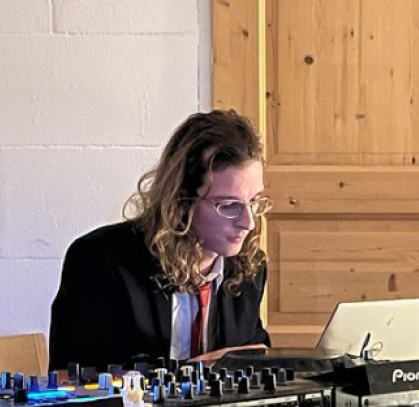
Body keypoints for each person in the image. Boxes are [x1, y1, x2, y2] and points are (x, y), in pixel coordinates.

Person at [49, 109, 272, 371]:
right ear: (181, 201)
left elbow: (255, 360)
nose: (248, 222)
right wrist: (192, 371)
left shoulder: (249, 267)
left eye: (254, 202)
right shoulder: (99, 260)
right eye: (228, 205)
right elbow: (71, 376)